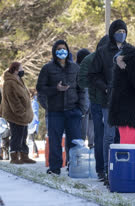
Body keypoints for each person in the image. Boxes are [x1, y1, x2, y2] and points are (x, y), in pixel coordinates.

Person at [36, 40, 88, 175]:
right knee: (55, 141)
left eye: (64, 48)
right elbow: (40, 88)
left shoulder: (75, 68)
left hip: (73, 110)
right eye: (59, 49)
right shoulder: (47, 68)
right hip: (55, 111)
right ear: (54, 51)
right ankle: (55, 168)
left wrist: (81, 109)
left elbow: (82, 89)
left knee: (75, 142)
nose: (62, 51)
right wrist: (55, 89)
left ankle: (74, 168)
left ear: (68, 50)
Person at [88, 19, 128, 183]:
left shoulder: (129, 50)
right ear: (112, 33)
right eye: (118, 31)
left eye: (124, 31)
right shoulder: (103, 52)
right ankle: (106, 169)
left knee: (123, 137)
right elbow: (93, 75)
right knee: (109, 136)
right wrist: (105, 87)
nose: (122, 34)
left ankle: (122, 168)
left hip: (126, 100)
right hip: (108, 100)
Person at [78, 35, 109, 181]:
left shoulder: (119, 57)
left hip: (115, 102)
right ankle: (101, 169)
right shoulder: (90, 59)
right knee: (100, 136)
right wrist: (98, 83)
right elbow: (82, 80)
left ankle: (111, 167)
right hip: (97, 102)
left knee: (114, 136)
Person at [1, 62, 35, 164]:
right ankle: (14, 156)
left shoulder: (19, 80)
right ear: (16, 70)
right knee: (17, 135)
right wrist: (21, 112)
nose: (22, 70)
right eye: (21, 68)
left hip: (23, 115)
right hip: (15, 115)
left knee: (23, 134)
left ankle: (24, 155)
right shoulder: (9, 82)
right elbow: (13, 99)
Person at [76, 48, 94, 147]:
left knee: (87, 134)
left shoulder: (88, 72)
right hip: (82, 109)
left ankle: (91, 146)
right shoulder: (79, 72)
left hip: (89, 108)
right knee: (81, 135)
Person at [0, 76, 10, 160]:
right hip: (3, 114)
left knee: (13, 133)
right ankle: (5, 151)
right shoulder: (0, 88)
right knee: (5, 133)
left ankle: (13, 151)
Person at [28, 89, 39, 158]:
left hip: (32, 123)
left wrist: (35, 123)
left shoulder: (33, 103)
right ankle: (34, 152)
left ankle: (35, 152)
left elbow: (35, 114)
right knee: (30, 138)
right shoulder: (31, 102)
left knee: (31, 138)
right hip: (29, 122)